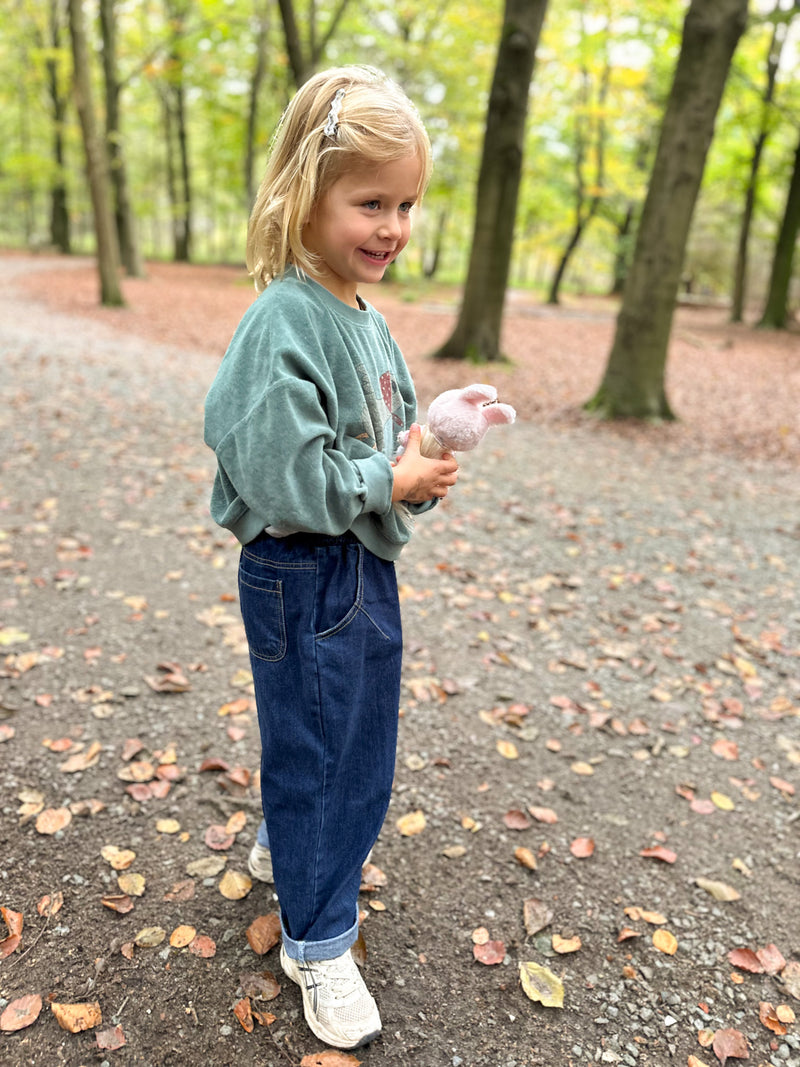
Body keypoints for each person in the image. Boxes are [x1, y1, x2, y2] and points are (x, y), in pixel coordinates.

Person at [203, 66, 458, 1051]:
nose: (392, 224)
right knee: (327, 752)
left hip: (356, 566)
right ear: (303, 195)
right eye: (369, 201)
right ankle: (317, 936)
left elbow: (374, 433)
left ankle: (289, 848)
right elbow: (278, 472)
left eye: (405, 203)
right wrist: (380, 483)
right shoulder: (282, 320)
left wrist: (419, 460)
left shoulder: (363, 314)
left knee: (345, 735)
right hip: (303, 569)